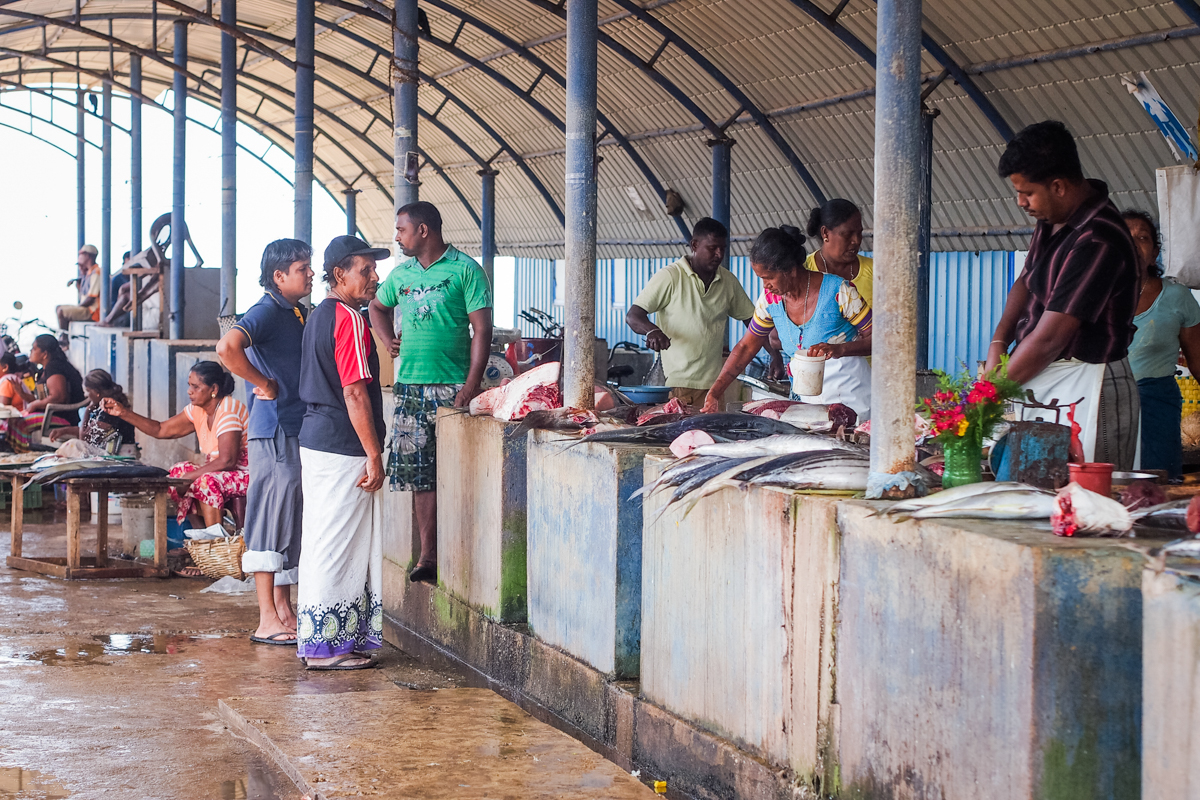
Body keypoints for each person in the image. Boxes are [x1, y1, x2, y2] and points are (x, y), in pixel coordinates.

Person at [985, 121, 1140, 468]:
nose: (1021, 202)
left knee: (1088, 504)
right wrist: (999, 342)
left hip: (1090, 384)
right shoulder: (1052, 218)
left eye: (1027, 193)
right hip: (1045, 380)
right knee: (1038, 498)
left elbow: (1050, 339)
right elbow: (1026, 281)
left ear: (1058, 186)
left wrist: (986, 397)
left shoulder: (1099, 239)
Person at [367, 202, 492, 586]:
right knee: (421, 476)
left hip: (454, 386)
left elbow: (482, 331)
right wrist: (388, 341)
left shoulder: (466, 269)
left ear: (423, 230)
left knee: (461, 473)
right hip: (410, 387)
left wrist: (471, 385)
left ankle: (468, 555)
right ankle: (428, 555)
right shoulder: (400, 274)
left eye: (402, 230)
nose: (397, 237)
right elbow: (376, 306)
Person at [296, 235, 390, 670]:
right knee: (338, 544)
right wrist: (373, 453)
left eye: (374, 269)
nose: (375, 277)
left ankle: (322, 640)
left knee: (323, 540)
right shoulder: (349, 319)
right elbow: (354, 391)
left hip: (318, 438)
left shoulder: (317, 316)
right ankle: (327, 648)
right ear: (339, 275)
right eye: (365, 270)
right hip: (342, 443)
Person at [217, 239, 313, 646]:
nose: (310, 274)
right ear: (279, 276)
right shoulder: (267, 310)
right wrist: (262, 383)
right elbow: (227, 348)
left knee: (290, 510)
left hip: (292, 424)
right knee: (271, 512)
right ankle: (265, 618)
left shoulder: (294, 311)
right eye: (302, 268)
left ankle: (284, 609)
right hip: (272, 428)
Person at [703, 226, 873, 416]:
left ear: (791, 270)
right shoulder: (770, 299)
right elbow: (746, 347)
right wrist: (715, 391)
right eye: (760, 278)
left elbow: (879, 340)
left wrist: (839, 349)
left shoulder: (840, 291)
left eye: (769, 278)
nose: (765, 285)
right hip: (808, 404)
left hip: (852, 401)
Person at [625, 218, 757, 408]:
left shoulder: (728, 281)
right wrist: (652, 331)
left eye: (722, 248)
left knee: (711, 436)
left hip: (714, 386)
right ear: (694, 245)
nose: (719, 254)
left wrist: (775, 354)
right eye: (712, 248)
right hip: (677, 384)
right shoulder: (670, 276)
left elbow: (753, 321)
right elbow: (633, 315)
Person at [103, 361, 249, 527]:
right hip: (222, 472)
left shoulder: (228, 412)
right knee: (178, 472)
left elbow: (227, 461)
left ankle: (213, 542)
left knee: (204, 481)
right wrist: (123, 413)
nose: (189, 391)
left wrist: (189, 477)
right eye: (189, 386)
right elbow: (160, 429)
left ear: (214, 389)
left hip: (246, 474)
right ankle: (200, 537)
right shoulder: (198, 410)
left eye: (195, 387)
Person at [1122, 210, 1200, 479]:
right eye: (1125, 237)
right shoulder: (1095, 296)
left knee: (1158, 485)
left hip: (1156, 405)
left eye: (1142, 238)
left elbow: (1198, 362)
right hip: (1107, 401)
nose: (1133, 244)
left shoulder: (1177, 297)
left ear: (1154, 253)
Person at [4, 334, 87, 451]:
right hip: (50, 414)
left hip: (64, 417)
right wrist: (21, 393)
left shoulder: (55, 367)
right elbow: (42, 400)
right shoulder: (45, 369)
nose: (31, 351)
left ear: (45, 354)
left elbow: (58, 397)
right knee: (13, 420)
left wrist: (35, 404)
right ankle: (19, 455)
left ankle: (22, 455)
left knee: (19, 422)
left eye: (34, 348)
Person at [48, 369, 137, 453]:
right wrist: (64, 431)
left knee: (74, 445)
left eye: (88, 391)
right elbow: (90, 431)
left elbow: (84, 438)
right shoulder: (104, 406)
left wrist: (88, 410)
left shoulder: (108, 409)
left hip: (122, 456)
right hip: (116, 453)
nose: (86, 395)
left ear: (96, 392)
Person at [56, 244, 102, 330]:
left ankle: (64, 338)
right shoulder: (88, 273)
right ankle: (65, 336)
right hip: (88, 309)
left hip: (93, 312)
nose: (79, 256)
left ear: (87, 255)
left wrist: (78, 307)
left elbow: (90, 299)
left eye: (81, 254)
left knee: (61, 312)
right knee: (58, 307)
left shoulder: (97, 272)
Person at [100, 252, 133, 327]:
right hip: (120, 312)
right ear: (123, 265)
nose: (129, 268)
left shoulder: (140, 278)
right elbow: (112, 302)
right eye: (127, 265)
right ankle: (108, 321)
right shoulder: (117, 279)